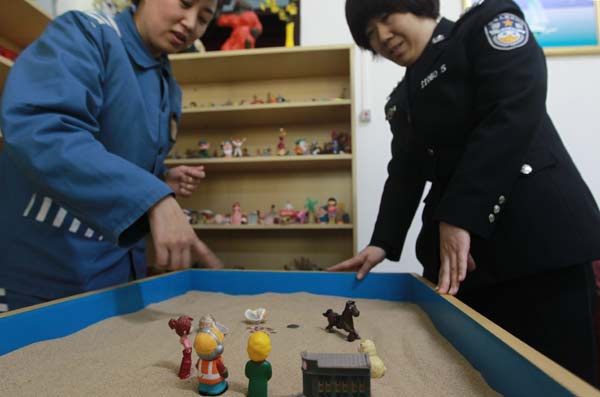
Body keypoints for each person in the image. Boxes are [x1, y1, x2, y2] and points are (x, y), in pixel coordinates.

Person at [329, 0, 600, 386]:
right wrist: (382, 243)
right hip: (464, 268)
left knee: (557, 378)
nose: (382, 37)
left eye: (386, 19)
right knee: (473, 379)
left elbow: (512, 111)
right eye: (369, 34)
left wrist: (461, 214)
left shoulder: (484, 27)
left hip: (540, 247)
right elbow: (404, 173)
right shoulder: (401, 99)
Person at [0, 0, 226, 311]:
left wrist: (160, 177)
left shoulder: (167, 84)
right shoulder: (86, 34)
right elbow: (42, 129)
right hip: (45, 269)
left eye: (204, 17)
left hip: (114, 273)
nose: (190, 23)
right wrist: (153, 196)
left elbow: (119, 156)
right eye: (185, 3)